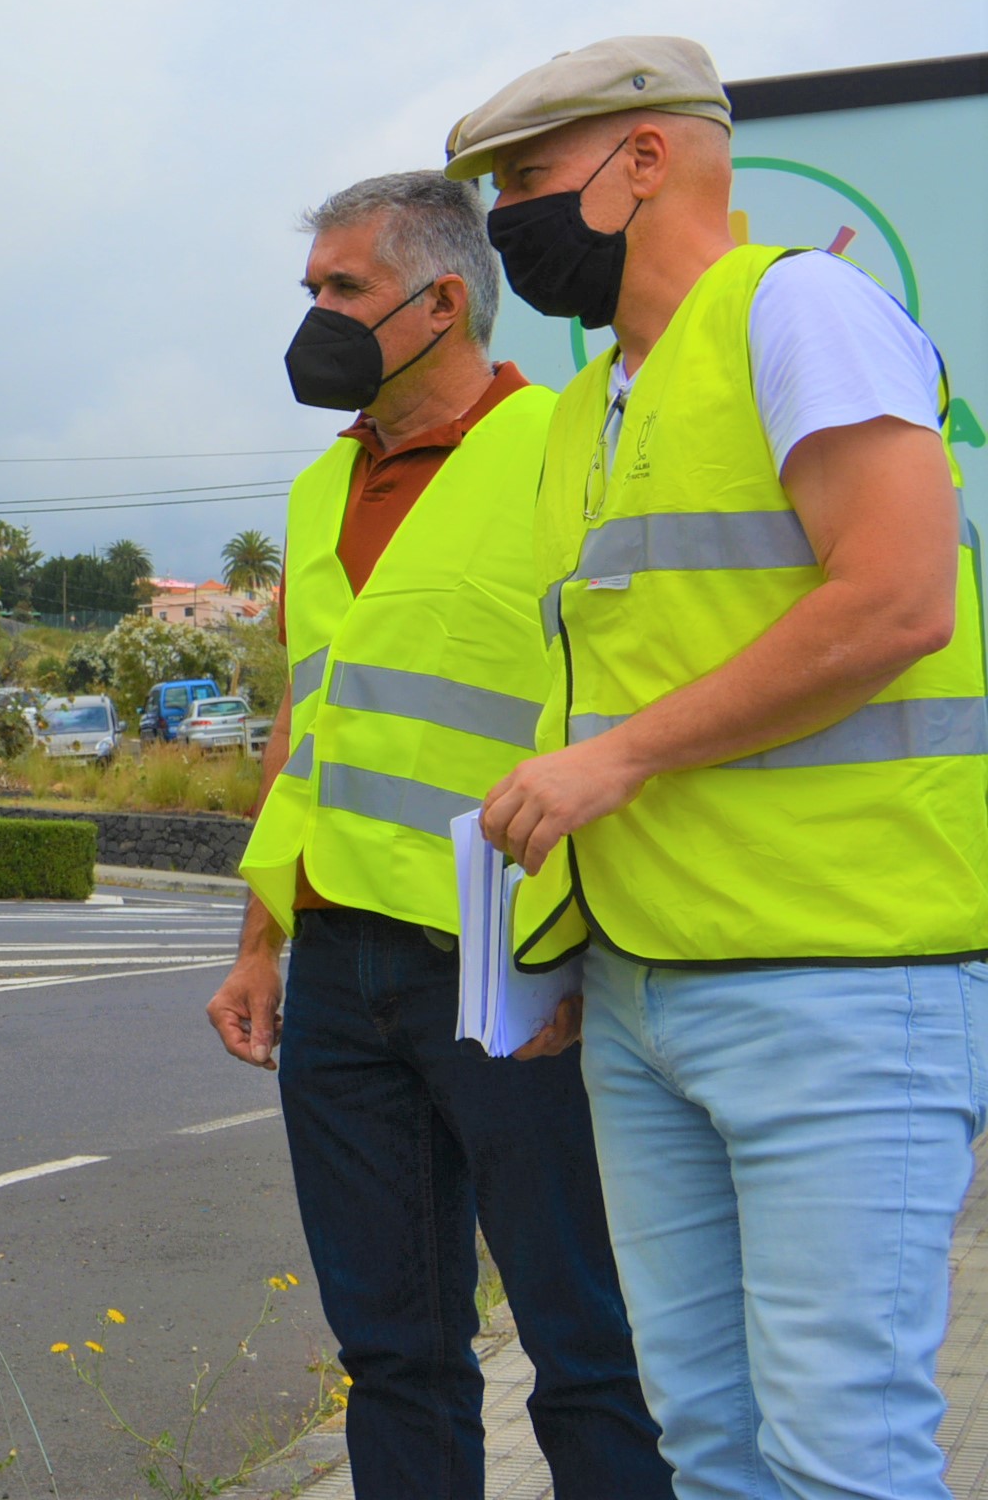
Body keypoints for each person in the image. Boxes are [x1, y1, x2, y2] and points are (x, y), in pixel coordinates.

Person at [465, 36, 988, 1496]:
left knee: (840, 1452)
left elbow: (897, 599)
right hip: (644, 990)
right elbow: (597, 697)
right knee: (709, 1444)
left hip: (837, 973)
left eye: (528, 181)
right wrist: (561, 955)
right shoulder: (586, 407)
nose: (510, 220)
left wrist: (614, 763)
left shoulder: (800, 307)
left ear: (646, 162)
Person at [211, 174, 668, 1494]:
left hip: (520, 969)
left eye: (342, 291)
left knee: (588, 1348)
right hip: (345, 980)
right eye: (309, 293)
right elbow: (309, 733)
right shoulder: (315, 494)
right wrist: (260, 943)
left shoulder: (563, 452)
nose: (314, 319)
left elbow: (632, 695)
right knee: (394, 1351)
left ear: (442, 301)